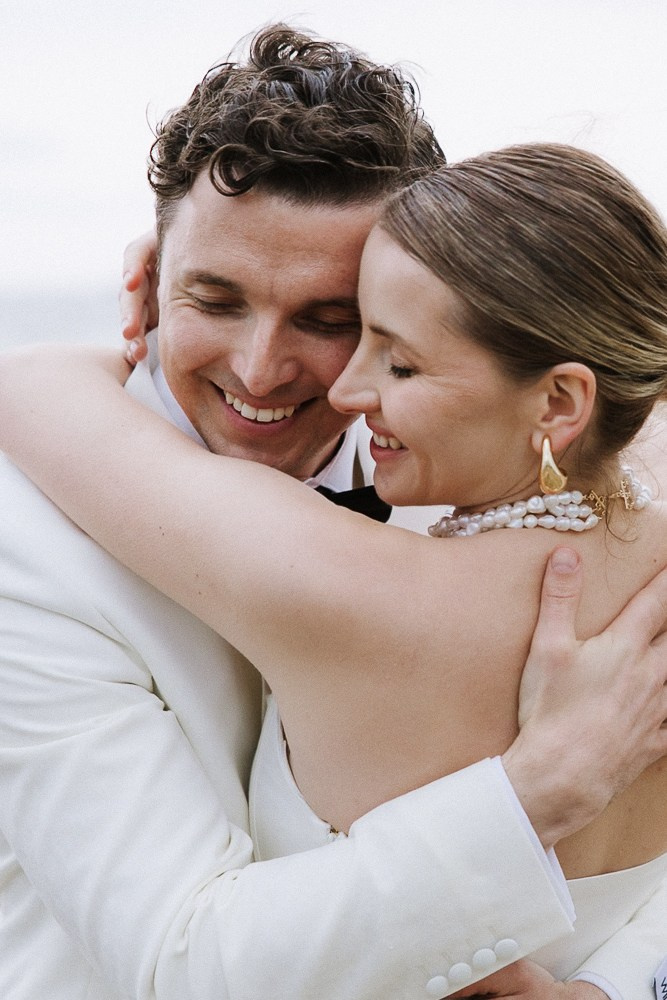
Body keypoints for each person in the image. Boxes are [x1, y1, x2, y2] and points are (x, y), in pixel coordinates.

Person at [0, 26, 666, 1000]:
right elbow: (176, 957)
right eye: (216, 300)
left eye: (331, 320)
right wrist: (532, 798)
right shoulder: (26, 553)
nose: (263, 368)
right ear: (143, 283)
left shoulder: (446, 479)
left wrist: (601, 990)